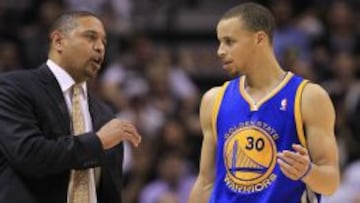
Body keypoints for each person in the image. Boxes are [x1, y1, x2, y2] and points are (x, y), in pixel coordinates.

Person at [188, 3, 339, 203]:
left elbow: (331, 182)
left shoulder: (308, 97)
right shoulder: (214, 99)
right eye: (219, 42)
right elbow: (206, 182)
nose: (220, 51)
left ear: (259, 39)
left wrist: (308, 171)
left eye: (229, 41)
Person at [0, 11, 141, 203]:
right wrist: (97, 142)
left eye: (104, 42)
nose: (100, 47)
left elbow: (110, 193)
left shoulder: (106, 116)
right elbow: (28, 154)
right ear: (58, 41)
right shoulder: (14, 87)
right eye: (90, 37)